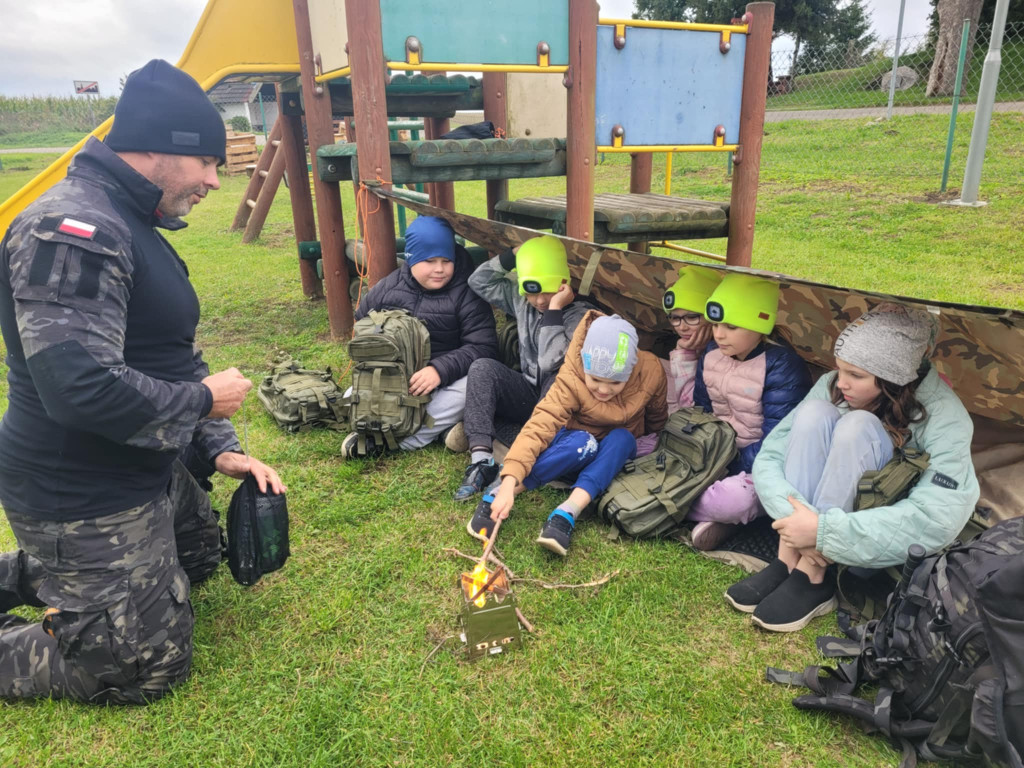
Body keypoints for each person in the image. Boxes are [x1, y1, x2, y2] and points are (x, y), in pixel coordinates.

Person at [0, 59, 284, 704]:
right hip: (78, 488)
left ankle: (60, 581)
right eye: (207, 163)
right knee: (143, 667)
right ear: (156, 147)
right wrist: (203, 400)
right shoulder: (76, 230)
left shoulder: (132, 218)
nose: (215, 179)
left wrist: (219, 445)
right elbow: (79, 388)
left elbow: (169, 355)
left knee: (201, 561)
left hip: (141, 468)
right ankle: (71, 595)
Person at [725, 303, 980, 632]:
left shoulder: (946, 416)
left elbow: (937, 515)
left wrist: (824, 534)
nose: (840, 383)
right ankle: (787, 560)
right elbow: (773, 452)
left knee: (857, 426)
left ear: (894, 377)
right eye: (839, 369)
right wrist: (797, 528)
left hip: (866, 539)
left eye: (856, 375)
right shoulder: (833, 384)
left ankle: (814, 574)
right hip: (802, 532)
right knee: (814, 413)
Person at [468, 311, 667, 556]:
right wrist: (509, 481)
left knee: (623, 438)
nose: (603, 390)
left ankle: (568, 511)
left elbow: (658, 416)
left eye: (615, 383)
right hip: (573, 447)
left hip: (612, 457)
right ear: (584, 363)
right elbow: (539, 426)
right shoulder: (570, 376)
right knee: (584, 442)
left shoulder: (652, 370)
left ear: (632, 368)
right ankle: (500, 491)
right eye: (595, 379)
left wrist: (656, 440)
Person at [450, 235, 594, 501]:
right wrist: (513, 255)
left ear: (564, 284)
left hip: (557, 409)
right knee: (483, 368)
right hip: (528, 391)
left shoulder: (580, 315)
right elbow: (478, 281)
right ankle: (481, 459)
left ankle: (515, 449)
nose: (539, 301)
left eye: (547, 292)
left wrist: (554, 310)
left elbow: (550, 360)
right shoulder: (521, 302)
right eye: (532, 292)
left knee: (554, 379)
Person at [342, 215, 497, 457]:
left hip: (446, 382)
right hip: (396, 379)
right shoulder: (388, 287)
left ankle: (399, 442)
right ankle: (441, 430)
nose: (439, 268)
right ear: (411, 259)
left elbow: (484, 347)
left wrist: (439, 370)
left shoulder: (466, 293)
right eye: (430, 260)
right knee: (350, 396)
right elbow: (362, 321)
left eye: (447, 260)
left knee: (474, 386)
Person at [687, 273, 811, 551]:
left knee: (736, 499)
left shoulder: (782, 366)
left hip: (757, 467)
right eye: (716, 324)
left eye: (731, 326)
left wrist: (724, 465)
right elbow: (701, 411)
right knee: (646, 448)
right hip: (713, 453)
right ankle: (706, 510)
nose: (719, 334)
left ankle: (676, 503)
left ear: (760, 325)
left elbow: (777, 442)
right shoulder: (710, 354)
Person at [660, 264, 720, 415]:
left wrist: (683, 354)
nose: (682, 327)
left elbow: (691, 408)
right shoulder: (691, 344)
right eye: (675, 318)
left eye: (692, 317)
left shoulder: (724, 353)